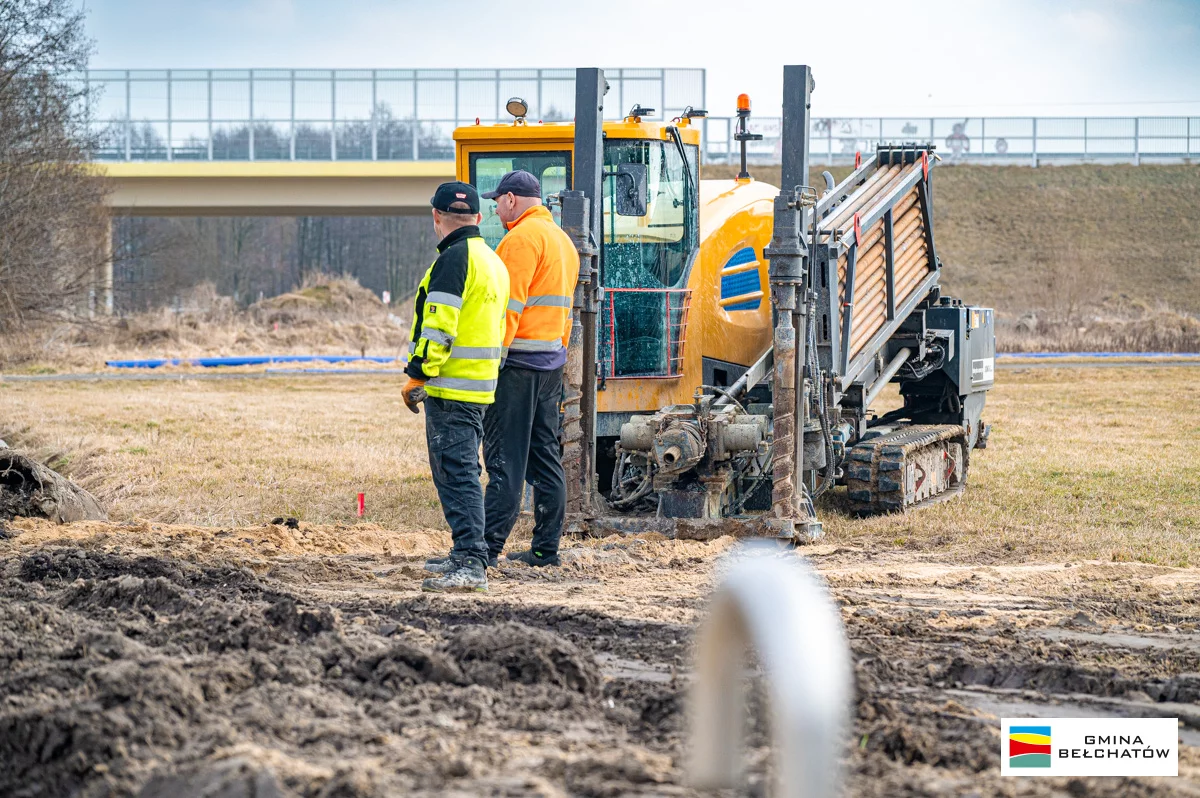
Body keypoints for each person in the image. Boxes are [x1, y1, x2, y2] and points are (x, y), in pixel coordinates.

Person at [405, 181, 509, 593]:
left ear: (436, 216)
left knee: (457, 474)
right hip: (479, 386)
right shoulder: (491, 259)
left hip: (451, 389)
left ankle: (470, 562)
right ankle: (465, 552)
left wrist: (419, 373)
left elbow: (439, 327)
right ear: (478, 218)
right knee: (462, 471)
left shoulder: (453, 260)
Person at [482, 170, 579, 567]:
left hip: (517, 364)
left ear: (510, 199)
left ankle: (484, 551)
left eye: (496, 203)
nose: (495, 211)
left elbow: (507, 308)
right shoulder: (564, 242)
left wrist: (493, 362)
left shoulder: (520, 239)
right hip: (550, 364)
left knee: (505, 458)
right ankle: (545, 549)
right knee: (544, 459)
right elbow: (567, 312)